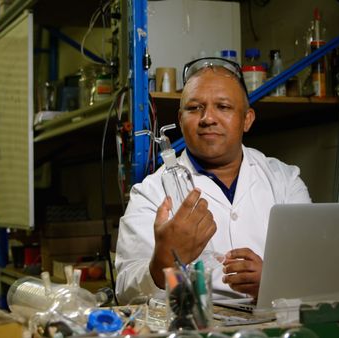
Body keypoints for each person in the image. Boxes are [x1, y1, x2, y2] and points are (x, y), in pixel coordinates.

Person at [115, 57, 311, 304]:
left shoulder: (284, 180)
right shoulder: (150, 193)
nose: (208, 118)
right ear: (181, 118)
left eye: (223, 106)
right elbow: (125, 291)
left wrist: (273, 281)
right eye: (194, 107)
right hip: (197, 327)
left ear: (247, 119)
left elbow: (313, 266)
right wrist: (162, 265)